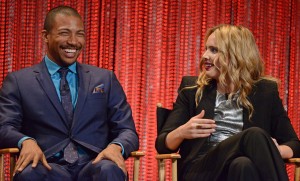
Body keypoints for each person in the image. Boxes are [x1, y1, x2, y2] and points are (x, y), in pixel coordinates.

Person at [0, 5, 139, 181]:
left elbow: (127, 130)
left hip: (95, 163)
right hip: (47, 165)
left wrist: (116, 147)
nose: (73, 41)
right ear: (45, 36)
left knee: (109, 169)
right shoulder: (19, 81)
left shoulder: (105, 78)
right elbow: (4, 127)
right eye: (64, 33)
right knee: (30, 174)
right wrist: (25, 141)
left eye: (79, 34)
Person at [155, 24, 300, 181]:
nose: (204, 55)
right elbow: (162, 144)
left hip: (238, 170)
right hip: (201, 171)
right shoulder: (192, 88)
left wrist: (272, 150)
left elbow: (294, 144)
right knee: (254, 135)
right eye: (206, 48)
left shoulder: (265, 91)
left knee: (243, 164)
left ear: (235, 55)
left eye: (214, 50)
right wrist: (182, 132)